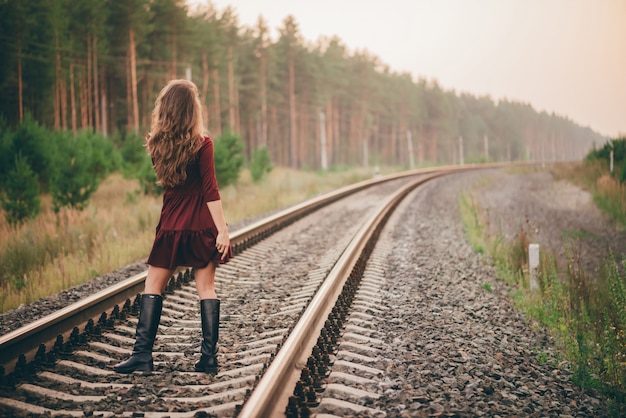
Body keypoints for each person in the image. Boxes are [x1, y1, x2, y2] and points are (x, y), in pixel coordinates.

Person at [114, 79, 232, 374]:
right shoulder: (204, 144)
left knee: (152, 286)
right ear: (192, 111)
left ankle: (142, 356)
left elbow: (171, 186)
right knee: (206, 288)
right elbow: (210, 190)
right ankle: (208, 358)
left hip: (171, 223)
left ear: (165, 110)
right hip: (201, 225)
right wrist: (222, 230)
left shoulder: (156, 144)